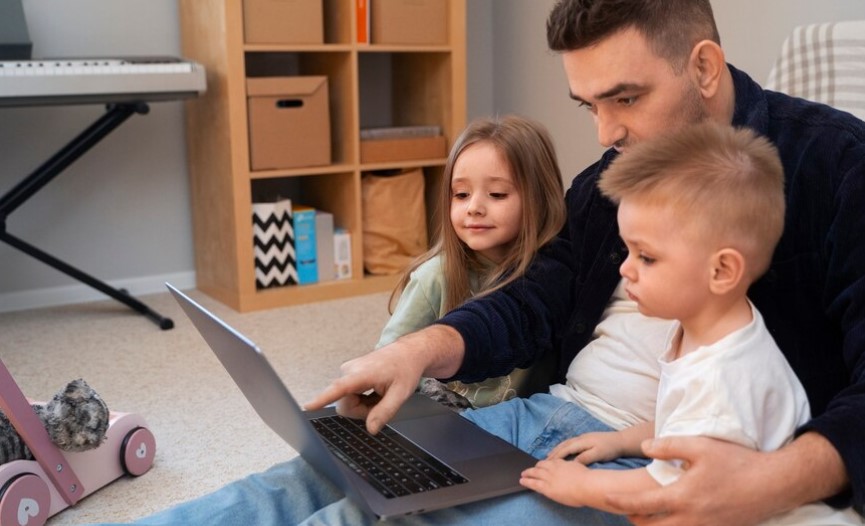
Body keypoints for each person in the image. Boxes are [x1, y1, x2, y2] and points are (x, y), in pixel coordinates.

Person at [115, 1, 865, 524]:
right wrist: (420, 349)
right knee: (313, 474)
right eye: (590, 106)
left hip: (647, 465)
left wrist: (768, 482)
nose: (606, 133)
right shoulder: (610, 180)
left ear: (702, 66)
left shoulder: (836, 166)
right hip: (553, 415)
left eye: (626, 98)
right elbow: (535, 297)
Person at [520, 121, 862, 525]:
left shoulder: (724, 378)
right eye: (627, 250)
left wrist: (582, 486)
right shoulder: (705, 333)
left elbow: (672, 491)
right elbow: (680, 422)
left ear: (721, 271)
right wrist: (621, 441)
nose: (625, 270)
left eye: (646, 257)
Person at [376, 115, 566, 410]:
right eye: (461, 194)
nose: (474, 207)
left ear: (541, 198)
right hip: (444, 419)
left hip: (524, 420)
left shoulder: (555, 276)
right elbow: (387, 361)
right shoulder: (435, 277)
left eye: (497, 194)